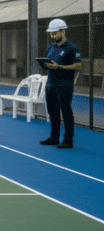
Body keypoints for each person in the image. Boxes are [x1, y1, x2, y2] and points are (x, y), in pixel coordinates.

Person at [38, 18, 81, 149]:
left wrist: (60, 67)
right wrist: (45, 65)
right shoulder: (50, 48)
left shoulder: (72, 48)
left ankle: (68, 140)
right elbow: (50, 65)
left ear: (63, 31)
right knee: (53, 112)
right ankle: (54, 137)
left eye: (55, 33)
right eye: (51, 33)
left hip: (64, 86)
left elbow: (78, 66)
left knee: (66, 112)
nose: (52, 36)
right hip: (50, 85)